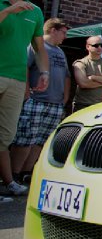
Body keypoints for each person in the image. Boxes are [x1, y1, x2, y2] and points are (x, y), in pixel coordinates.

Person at [0, 0, 49, 198]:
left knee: (6, 135)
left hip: (17, 79)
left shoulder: (36, 11)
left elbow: (39, 47)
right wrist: (9, 11)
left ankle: (7, 182)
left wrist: (44, 72)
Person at [11, 17, 71, 185]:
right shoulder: (36, 46)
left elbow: (66, 75)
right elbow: (24, 68)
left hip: (55, 103)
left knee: (41, 141)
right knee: (25, 139)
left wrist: (65, 98)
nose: (65, 37)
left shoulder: (60, 51)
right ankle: (13, 174)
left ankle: (26, 172)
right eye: (63, 33)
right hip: (36, 100)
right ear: (53, 30)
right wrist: (26, 94)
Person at [72, 37, 102, 111]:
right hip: (83, 104)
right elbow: (83, 83)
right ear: (88, 47)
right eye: (96, 45)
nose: (99, 48)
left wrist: (94, 78)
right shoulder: (80, 63)